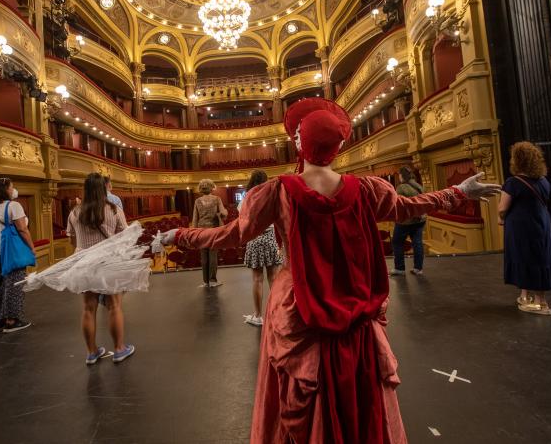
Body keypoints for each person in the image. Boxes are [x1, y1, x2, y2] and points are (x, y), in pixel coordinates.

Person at [161, 98, 500, 443]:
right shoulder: (366, 189)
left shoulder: (279, 192)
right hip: (353, 301)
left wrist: (181, 235)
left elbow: (231, 234)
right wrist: (458, 192)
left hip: (298, 307)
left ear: (300, 143)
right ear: (337, 147)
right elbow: (407, 207)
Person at [67, 172, 135, 365]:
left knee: (88, 308)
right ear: (103, 188)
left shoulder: (75, 212)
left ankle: (92, 352)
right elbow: (124, 237)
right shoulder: (113, 210)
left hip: (84, 262)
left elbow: (72, 239)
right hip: (108, 261)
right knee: (114, 305)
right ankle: (119, 349)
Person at [499, 141, 551, 316]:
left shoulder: (513, 183)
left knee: (525, 257)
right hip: (542, 223)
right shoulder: (543, 181)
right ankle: (525, 296)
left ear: (516, 160)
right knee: (538, 256)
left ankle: (540, 303)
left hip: (521, 227)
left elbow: (502, 208)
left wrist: (501, 218)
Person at [0, 177, 33, 333]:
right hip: (10, 251)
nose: (13, 190)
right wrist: (31, 247)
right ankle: (12, 321)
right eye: (12, 187)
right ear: (5, 190)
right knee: (15, 284)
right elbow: (22, 229)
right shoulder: (14, 206)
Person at [241, 170, 281, 327]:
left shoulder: (247, 198)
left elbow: (242, 222)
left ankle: (258, 316)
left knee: (257, 279)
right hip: (271, 237)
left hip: (255, 238)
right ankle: (277, 314)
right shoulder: (272, 195)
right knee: (274, 278)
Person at [390, 166, 427, 276]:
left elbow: (398, 205)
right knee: (417, 243)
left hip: (406, 221)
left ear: (402, 175)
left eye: (399, 175)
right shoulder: (419, 186)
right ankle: (418, 268)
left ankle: (400, 268)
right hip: (420, 219)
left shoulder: (401, 188)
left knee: (397, 242)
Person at [191, 178, 227, 288]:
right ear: (212, 188)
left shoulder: (197, 201)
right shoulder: (217, 199)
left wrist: (194, 233)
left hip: (201, 231)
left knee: (204, 256)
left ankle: (205, 282)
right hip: (213, 231)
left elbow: (195, 219)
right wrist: (222, 214)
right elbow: (224, 213)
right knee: (213, 255)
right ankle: (213, 280)